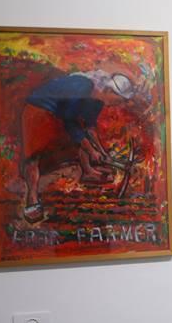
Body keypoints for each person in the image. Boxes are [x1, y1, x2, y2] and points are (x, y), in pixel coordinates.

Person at [20, 70, 135, 221]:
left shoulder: (98, 101)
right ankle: (32, 198)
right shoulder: (82, 86)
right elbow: (71, 124)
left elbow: (89, 128)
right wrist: (92, 151)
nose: (120, 104)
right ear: (109, 91)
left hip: (60, 116)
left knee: (81, 136)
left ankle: (88, 171)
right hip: (39, 111)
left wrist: (102, 152)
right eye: (120, 100)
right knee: (34, 156)